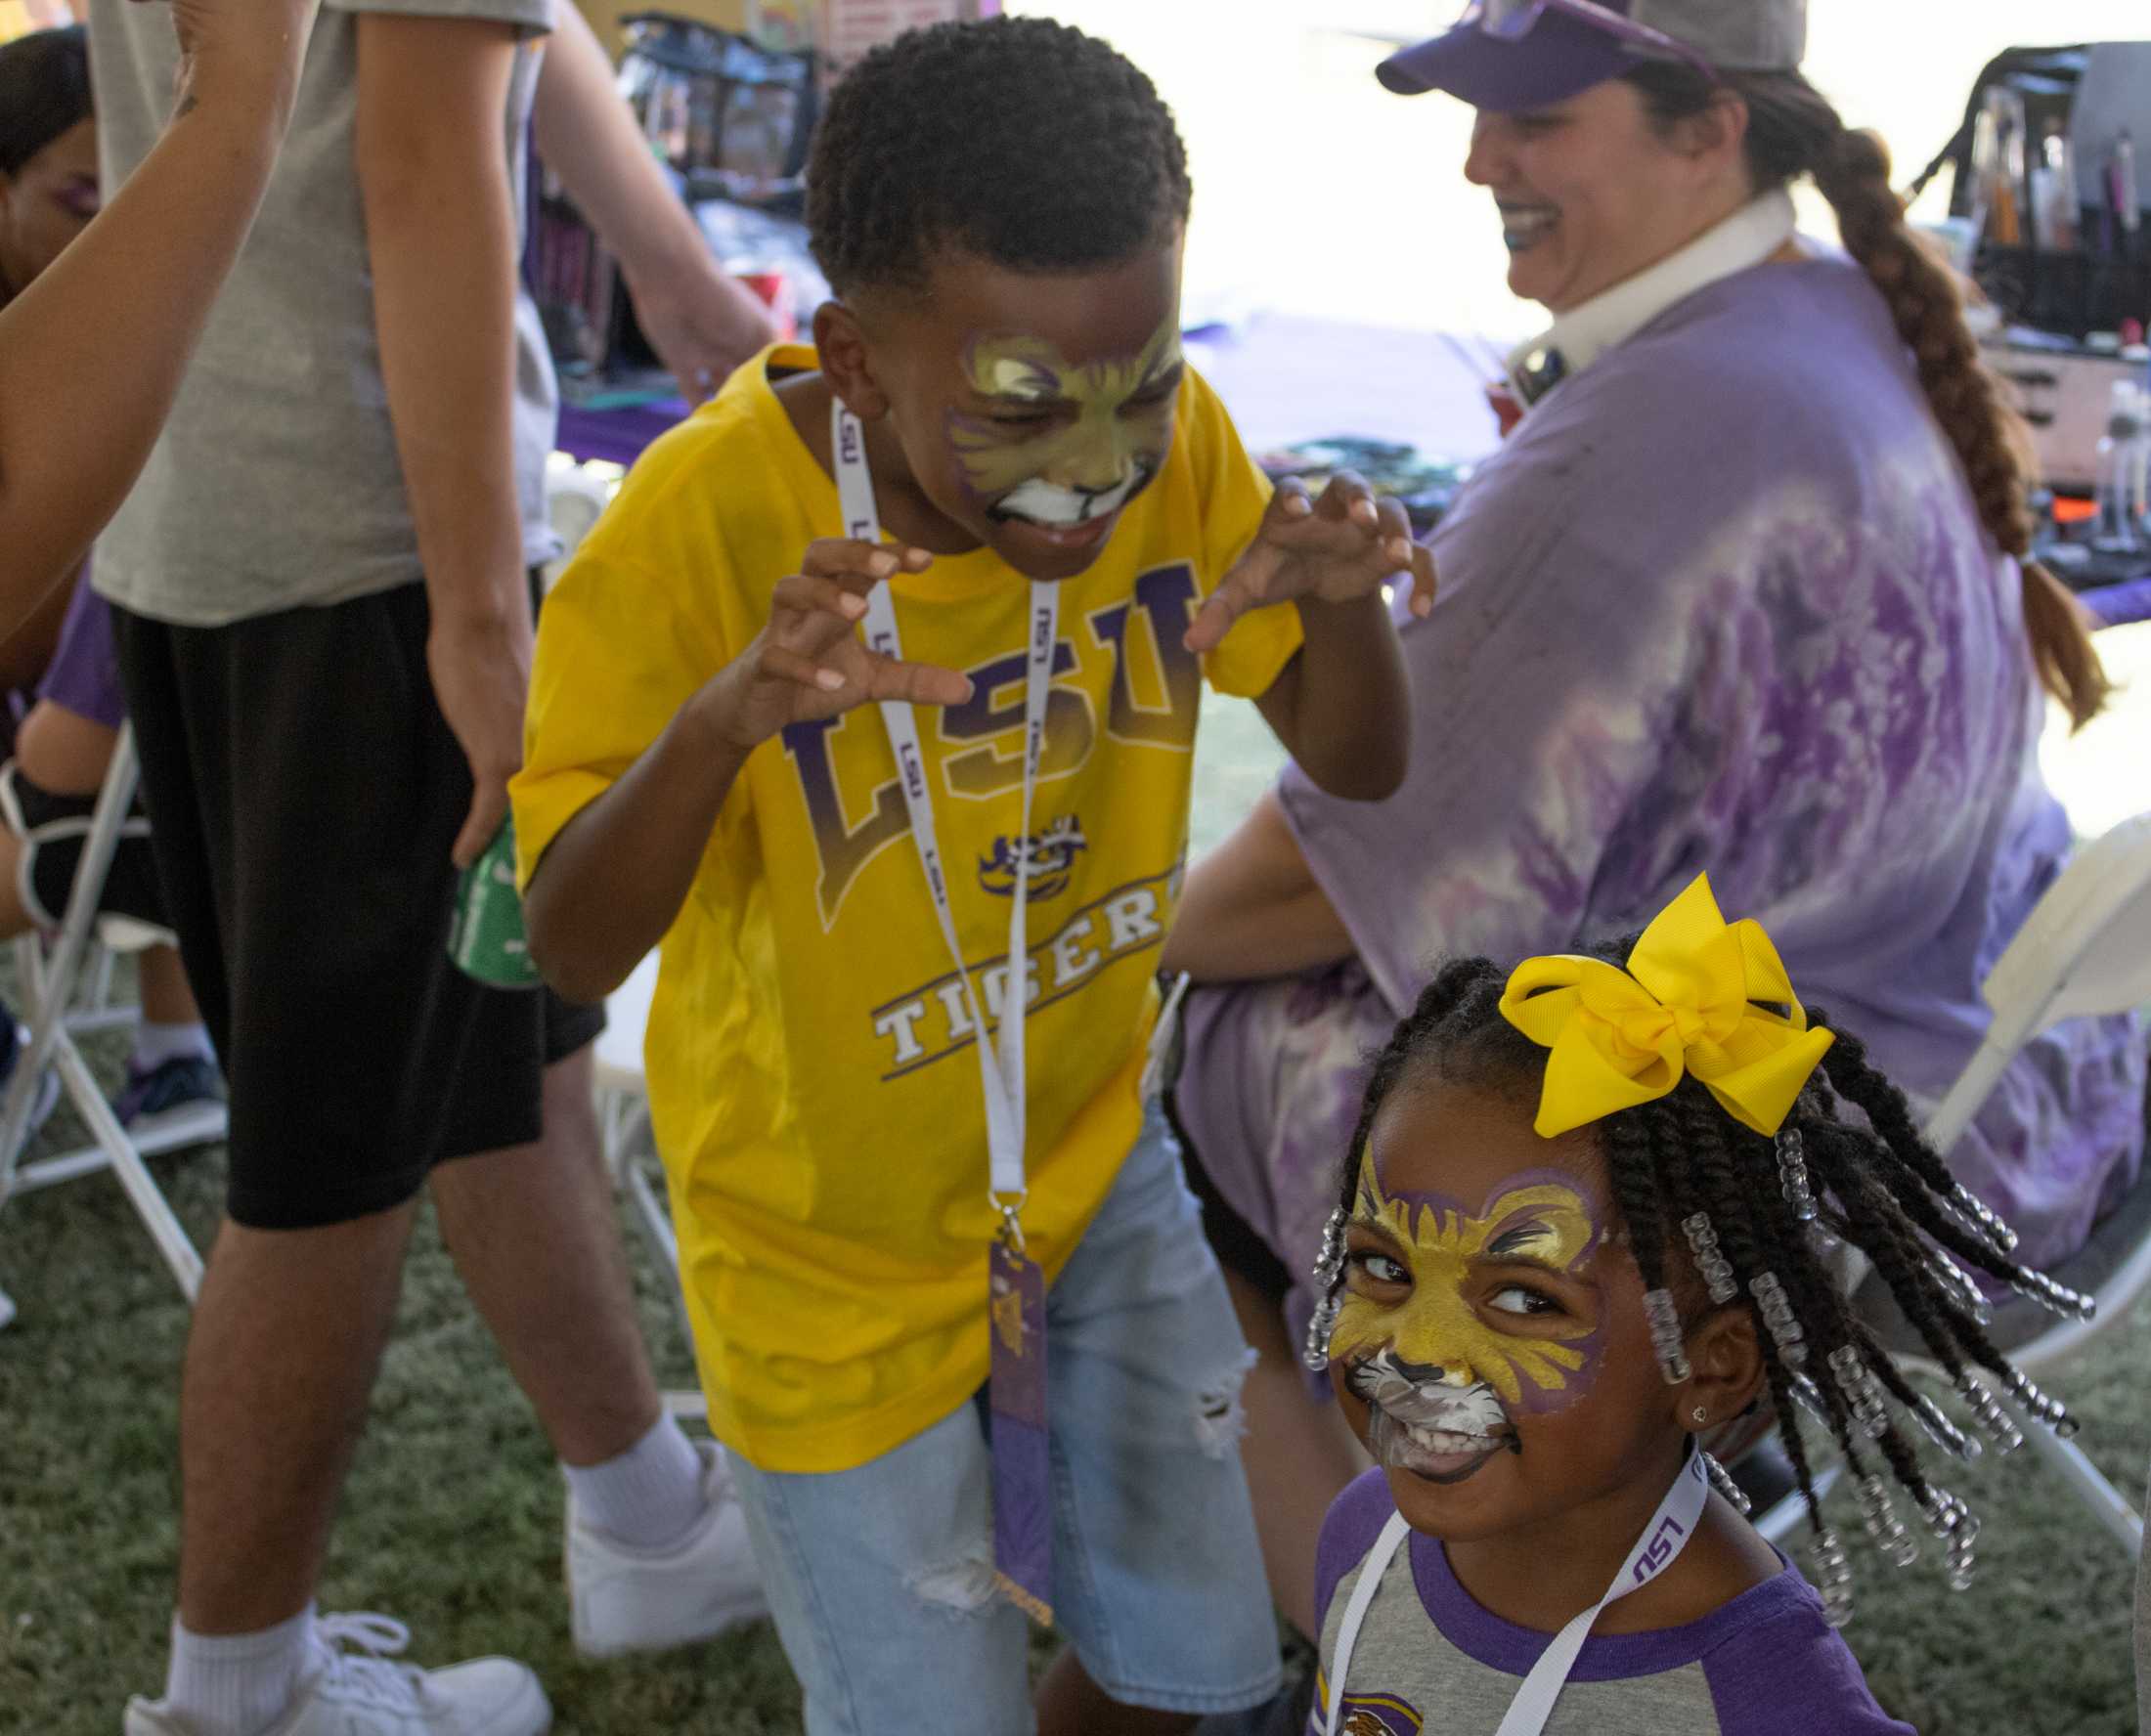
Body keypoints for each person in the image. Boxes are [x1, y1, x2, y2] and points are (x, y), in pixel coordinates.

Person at [1161, 0, 2146, 1641]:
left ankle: (1416, 1650)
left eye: (1540, 113)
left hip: (1827, 1165)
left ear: (1715, 128)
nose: (1484, 158)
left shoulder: (1655, 430)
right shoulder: (1836, 307)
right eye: (1478, 112)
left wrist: (1094, 930)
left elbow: (1332, 878)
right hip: (2007, 1096)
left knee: (1177, 1057)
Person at [514, 18, 1429, 1732]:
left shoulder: (1182, 447)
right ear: (855, 364)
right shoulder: (701, 531)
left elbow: (1359, 757)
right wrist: (722, 724)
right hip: (823, 1262)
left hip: (1095, 1180)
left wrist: (1345, 598)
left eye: (1142, 383)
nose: (1098, 461)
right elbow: (565, 941)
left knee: (1207, 1674)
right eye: (1021, 403)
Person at [88, 0, 780, 1726]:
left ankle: (644, 1510)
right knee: (329, 1169)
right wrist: (477, 611)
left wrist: (690, 298)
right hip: (358, 527)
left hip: (205, 483)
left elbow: (488, 39)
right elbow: (423, 148)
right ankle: (235, 1691)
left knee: (499, 1046)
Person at [1306, 873, 2084, 1734]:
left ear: (1715, 1365)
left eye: (1525, 1298)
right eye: (1382, 1267)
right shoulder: (1364, 1542)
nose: (1415, 1349)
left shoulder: (1764, 1697)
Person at [0, 28, 221, 1135]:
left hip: (110, 815)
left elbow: (56, 760)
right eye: (83, 195)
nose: (112, 231)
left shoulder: (160, 390)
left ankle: (175, 1046)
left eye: (128, 195)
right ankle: (176, 1045)